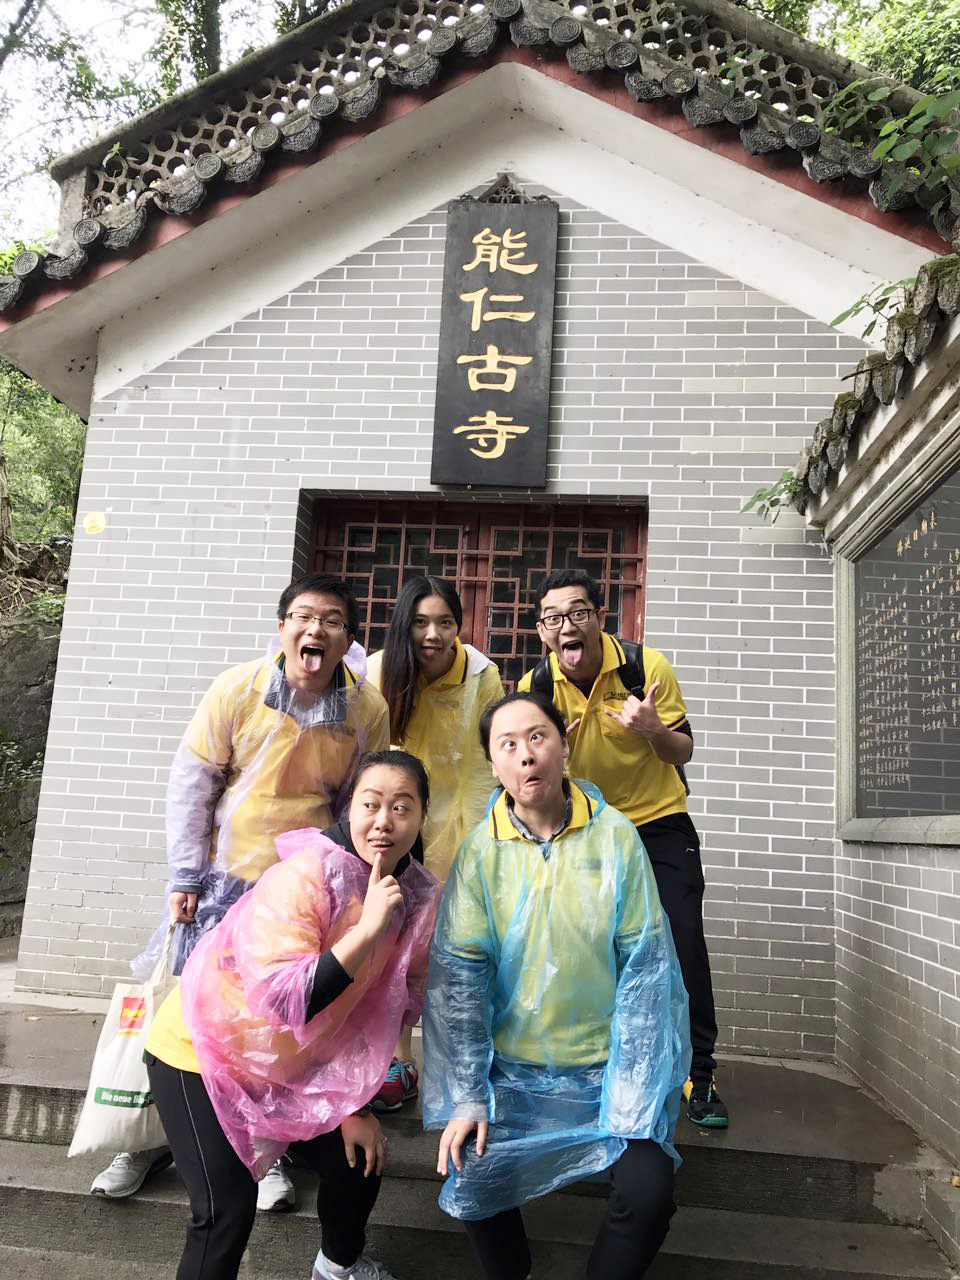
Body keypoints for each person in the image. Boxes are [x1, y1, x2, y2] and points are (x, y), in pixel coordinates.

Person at [91, 573, 390, 1205]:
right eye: (302, 617)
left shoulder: (366, 710)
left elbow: (360, 804)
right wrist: (185, 876)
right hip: (224, 884)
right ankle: (142, 1140)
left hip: (302, 892)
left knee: (272, 1025)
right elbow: (193, 781)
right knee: (189, 1018)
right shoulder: (238, 688)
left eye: (331, 620)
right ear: (281, 628)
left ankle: (262, 1148)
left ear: (349, 639)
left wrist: (350, 889)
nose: (314, 630)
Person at [144, 750, 441, 1280]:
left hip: (287, 1064)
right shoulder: (307, 875)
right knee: (225, 1211)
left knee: (359, 1157)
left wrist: (354, 1105)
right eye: (370, 804)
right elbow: (287, 1000)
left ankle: (337, 1267)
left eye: (401, 807)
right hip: (200, 1054)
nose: (383, 821)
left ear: (421, 817)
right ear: (350, 808)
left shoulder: (414, 897)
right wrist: (366, 931)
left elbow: (384, 1009)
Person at [422, 692, 690, 1280]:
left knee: (648, 1193)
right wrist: (468, 1095)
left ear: (564, 745)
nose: (526, 755)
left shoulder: (614, 837)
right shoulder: (480, 854)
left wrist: (631, 1091)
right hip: (512, 1076)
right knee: (470, 1172)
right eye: (507, 745)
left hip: (607, 1070)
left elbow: (646, 972)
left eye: (537, 737)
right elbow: (461, 983)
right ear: (493, 764)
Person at [517, 569, 727, 1128]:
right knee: (588, 948)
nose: (567, 626)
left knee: (682, 939)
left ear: (598, 617)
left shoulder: (643, 667)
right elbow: (521, 769)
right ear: (542, 631)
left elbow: (682, 750)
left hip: (659, 824)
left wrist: (653, 728)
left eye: (578, 612)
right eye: (554, 618)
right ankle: (606, 1064)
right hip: (586, 830)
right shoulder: (534, 688)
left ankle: (700, 1073)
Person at [366, 576, 503, 1112]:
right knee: (389, 943)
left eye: (445, 622)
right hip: (393, 821)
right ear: (405, 624)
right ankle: (393, 1058)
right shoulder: (378, 670)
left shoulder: (480, 674)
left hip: (457, 825)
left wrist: (476, 839)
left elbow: (483, 763)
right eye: (421, 622)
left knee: (439, 949)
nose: (433, 634)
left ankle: (454, 1065)